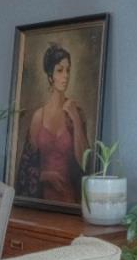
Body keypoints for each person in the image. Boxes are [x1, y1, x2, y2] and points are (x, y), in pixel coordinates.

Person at [15, 42, 90, 203]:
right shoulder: (38, 116)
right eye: (60, 70)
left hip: (70, 201)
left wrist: (76, 120)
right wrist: (45, 175)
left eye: (68, 70)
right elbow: (25, 169)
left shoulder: (76, 112)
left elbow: (86, 163)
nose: (66, 76)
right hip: (41, 201)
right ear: (50, 76)